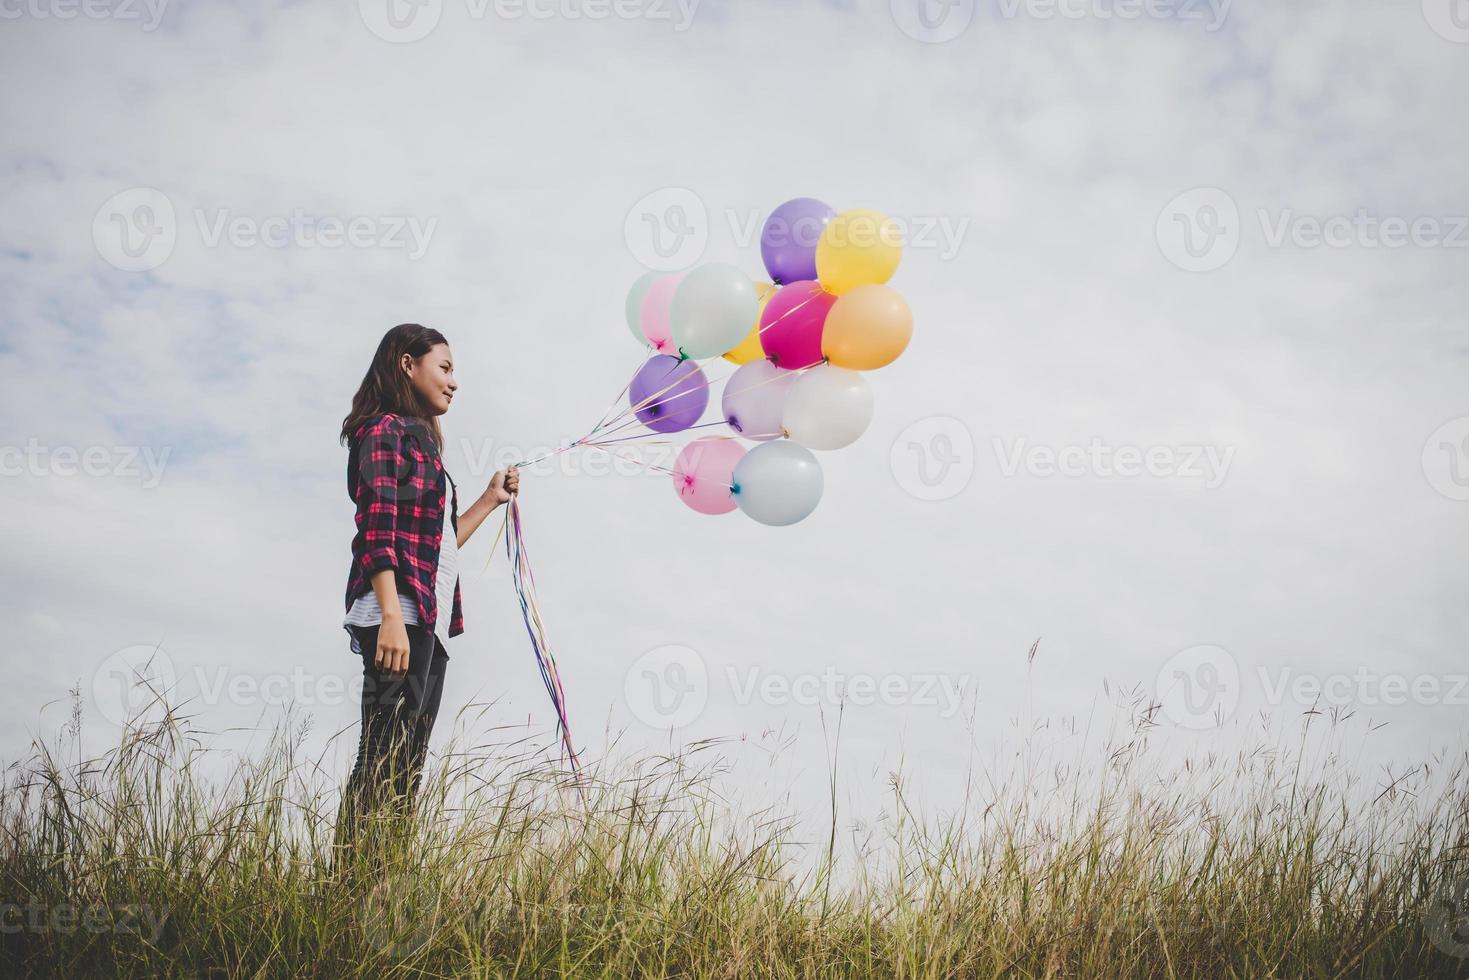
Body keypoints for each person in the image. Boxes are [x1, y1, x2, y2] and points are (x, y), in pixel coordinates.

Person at [333, 322, 518, 864]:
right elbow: (376, 530)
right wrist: (391, 616)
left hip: (424, 621)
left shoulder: (421, 445)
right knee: (382, 756)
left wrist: (487, 499)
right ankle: (348, 888)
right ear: (406, 365)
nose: (454, 382)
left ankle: (381, 881)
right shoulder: (382, 430)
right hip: (399, 619)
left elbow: (437, 548)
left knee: (406, 763)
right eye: (445, 367)